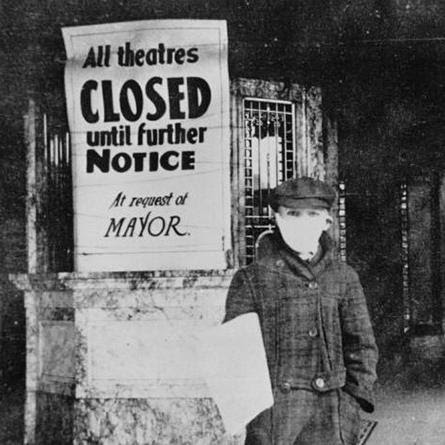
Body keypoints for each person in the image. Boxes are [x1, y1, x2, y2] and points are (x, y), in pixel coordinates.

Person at [224, 177, 378, 445]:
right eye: (293, 214)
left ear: (326, 222)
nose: (302, 222)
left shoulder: (343, 277)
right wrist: (256, 417)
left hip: (332, 417)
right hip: (275, 421)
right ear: (277, 219)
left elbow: (362, 346)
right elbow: (235, 355)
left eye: (312, 215)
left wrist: (352, 403)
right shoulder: (251, 279)